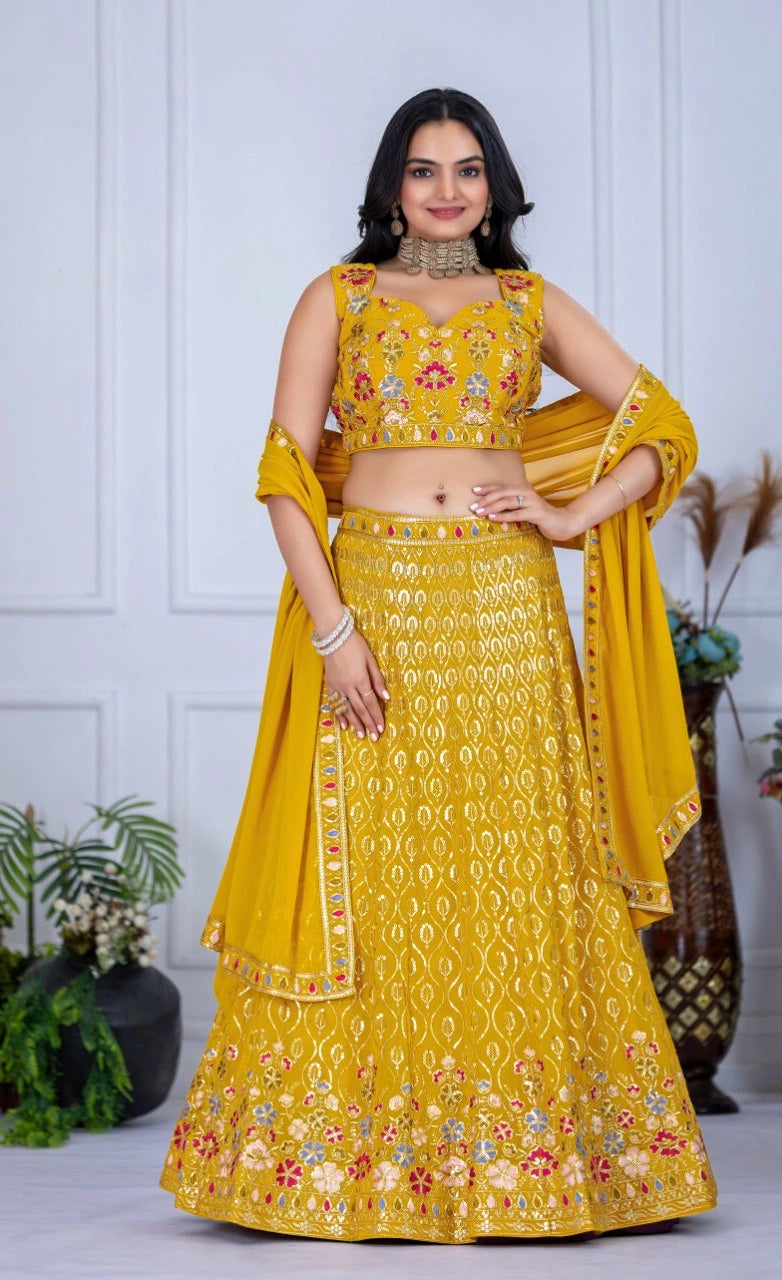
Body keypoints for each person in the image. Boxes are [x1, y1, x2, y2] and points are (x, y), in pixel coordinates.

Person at [159, 87, 718, 1244]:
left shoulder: (526, 299)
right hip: (376, 598)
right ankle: (341, 1159)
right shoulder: (340, 294)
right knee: (372, 866)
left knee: (517, 864)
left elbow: (658, 418)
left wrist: (575, 514)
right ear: (391, 184)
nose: (449, 190)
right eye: (426, 170)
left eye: (469, 170)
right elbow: (281, 471)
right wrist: (334, 629)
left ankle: (538, 1159)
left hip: (506, 605)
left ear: (499, 186)